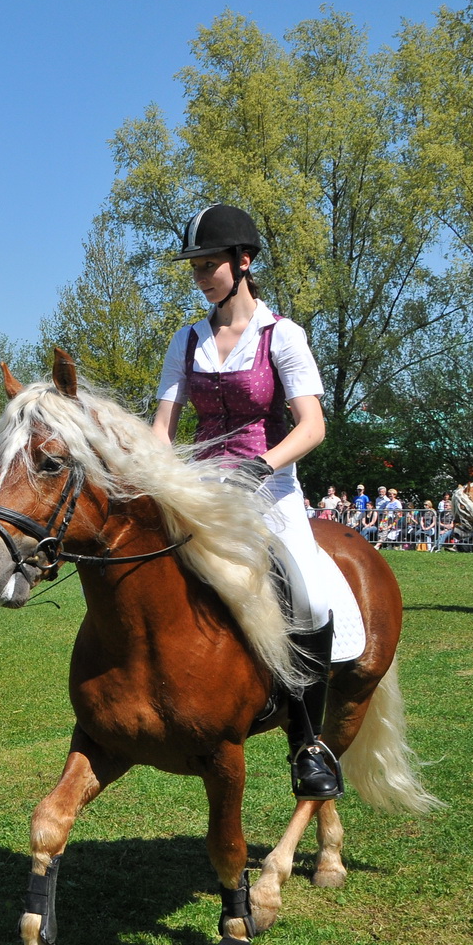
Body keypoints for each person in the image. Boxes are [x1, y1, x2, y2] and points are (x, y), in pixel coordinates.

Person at [150, 203, 341, 802]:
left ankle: (308, 742)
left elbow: (312, 426)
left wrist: (263, 466)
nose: (202, 275)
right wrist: (160, 475)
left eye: (210, 264)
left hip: (271, 485)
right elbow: (163, 429)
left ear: (244, 262)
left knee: (306, 593)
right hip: (203, 489)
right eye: (196, 266)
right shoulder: (186, 342)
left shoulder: (282, 336)